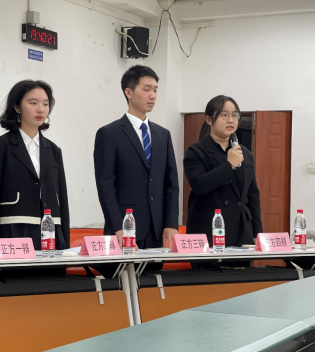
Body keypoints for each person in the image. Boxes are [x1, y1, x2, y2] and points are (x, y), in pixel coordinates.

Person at [94, 65, 180, 278]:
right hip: (124, 229)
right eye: (146, 89)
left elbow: (171, 184)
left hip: (156, 230)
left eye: (155, 90)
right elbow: (105, 186)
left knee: (152, 287)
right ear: (129, 92)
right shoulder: (109, 133)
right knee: (122, 286)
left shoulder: (163, 135)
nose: (153, 96)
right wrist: (117, 227)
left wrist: (171, 223)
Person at [0, 80, 70, 277]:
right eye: (33, 102)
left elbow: (62, 199)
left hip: (51, 234)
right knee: (17, 289)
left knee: (53, 289)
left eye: (45, 104)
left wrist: (66, 245)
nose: (40, 109)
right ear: (16, 107)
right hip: (13, 232)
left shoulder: (54, 150)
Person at [184, 95, 263, 250]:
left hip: (242, 230)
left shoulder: (245, 153)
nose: (231, 120)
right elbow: (199, 185)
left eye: (234, 115)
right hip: (209, 230)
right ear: (209, 119)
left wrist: (257, 231)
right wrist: (229, 165)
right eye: (224, 115)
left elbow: (253, 195)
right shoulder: (196, 151)